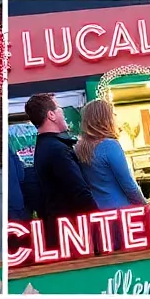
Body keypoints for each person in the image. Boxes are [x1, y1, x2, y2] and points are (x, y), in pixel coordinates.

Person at [26, 93, 98, 243]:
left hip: (63, 231)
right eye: (59, 108)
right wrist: (99, 222)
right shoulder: (57, 149)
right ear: (51, 115)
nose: (62, 111)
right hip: (75, 232)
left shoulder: (45, 146)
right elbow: (79, 191)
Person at [76, 99, 147, 210]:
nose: (116, 117)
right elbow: (129, 186)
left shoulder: (79, 149)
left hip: (97, 211)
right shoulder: (109, 145)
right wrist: (144, 205)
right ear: (105, 119)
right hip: (120, 209)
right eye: (113, 114)